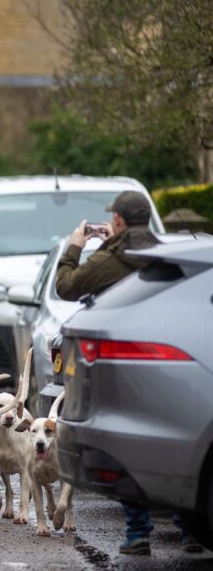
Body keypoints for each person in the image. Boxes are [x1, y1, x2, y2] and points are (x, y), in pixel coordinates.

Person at [55, 190, 204, 556]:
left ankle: (138, 533)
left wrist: (75, 246)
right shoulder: (165, 255)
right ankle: (190, 533)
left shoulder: (109, 259)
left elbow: (66, 286)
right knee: (178, 444)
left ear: (118, 220)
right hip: (177, 363)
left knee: (129, 445)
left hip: (125, 364)